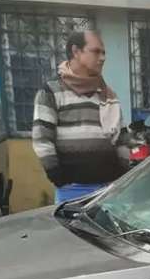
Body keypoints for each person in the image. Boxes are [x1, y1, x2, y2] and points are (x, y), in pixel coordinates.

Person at [32, 30, 128, 203]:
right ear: (76, 51)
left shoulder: (107, 93)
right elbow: (42, 139)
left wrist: (121, 175)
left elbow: (122, 137)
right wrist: (59, 179)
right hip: (73, 190)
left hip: (110, 189)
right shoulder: (51, 91)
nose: (102, 57)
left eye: (104, 52)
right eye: (96, 51)